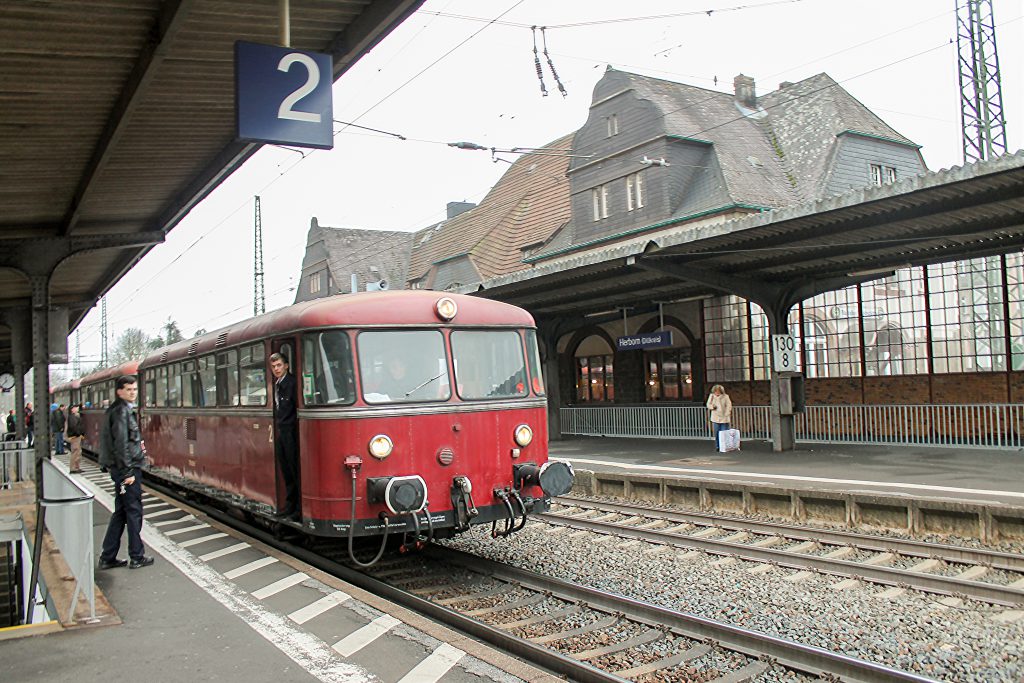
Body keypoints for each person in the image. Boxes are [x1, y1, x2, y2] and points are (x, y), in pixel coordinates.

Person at [97, 376, 153, 570]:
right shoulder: (122, 412)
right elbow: (121, 444)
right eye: (129, 389)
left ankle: (108, 556)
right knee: (134, 511)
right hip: (127, 471)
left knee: (121, 512)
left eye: (135, 389)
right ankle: (137, 556)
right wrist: (127, 471)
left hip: (121, 469)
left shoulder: (115, 410)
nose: (133, 392)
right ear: (119, 391)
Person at [270, 353, 300, 521]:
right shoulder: (278, 384)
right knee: (286, 471)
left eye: (279, 365)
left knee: (294, 470)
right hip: (282, 430)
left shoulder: (292, 383)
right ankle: (289, 506)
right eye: (274, 367)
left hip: (290, 432)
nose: (276, 369)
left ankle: (297, 508)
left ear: (286, 366)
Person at [706, 384, 733, 450]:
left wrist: (727, 413)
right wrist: (712, 407)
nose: (717, 392)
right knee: (717, 433)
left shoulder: (726, 396)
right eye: (715, 391)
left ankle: (725, 446)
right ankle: (718, 446)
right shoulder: (712, 396)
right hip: (715, 417)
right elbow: (708, 404)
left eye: (718, 391)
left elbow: (729, 405)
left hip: (724, 417)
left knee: (724, 432)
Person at [66, 404, 85, 473]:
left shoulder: (75, 416)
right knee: (75, 452)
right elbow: (74, 427)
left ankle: (76, 467)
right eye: (76, 408)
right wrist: (78, 433)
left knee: (78, 452)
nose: (77, 409)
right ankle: (73, 468)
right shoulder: (72, 417)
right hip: (75, 437)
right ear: (72, 409)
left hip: (76, 436)